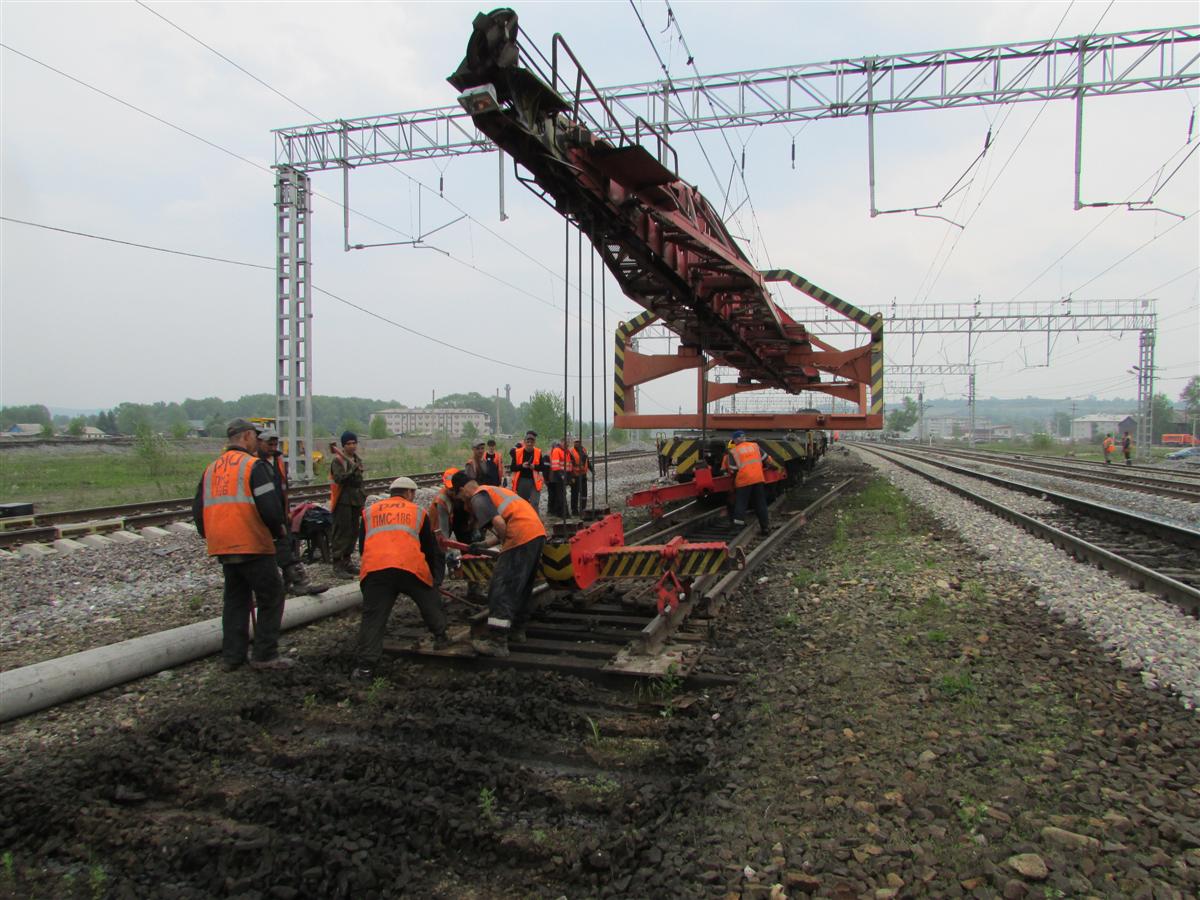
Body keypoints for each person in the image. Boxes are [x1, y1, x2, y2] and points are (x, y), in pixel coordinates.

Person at [192, 418, 294, 672]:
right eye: (255, 437)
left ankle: (233, 656)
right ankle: (265, 654)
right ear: (247, 436)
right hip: (251, 543)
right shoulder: (253, 466)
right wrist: (279, 531)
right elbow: (270, 507)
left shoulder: (212, 468)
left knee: (235, 600)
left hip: (223, 545)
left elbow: (198, 508)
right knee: (271, 595)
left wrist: (211, 534)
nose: (257, 442)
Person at [352, 476, 450, 680]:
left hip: (376, 569)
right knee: (429, 602)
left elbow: (363, 546)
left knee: (373, 617)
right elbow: (428, 549)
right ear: (410, 493)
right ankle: (441, 636)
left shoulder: (369, 512)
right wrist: (431, 578)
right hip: (410, 567)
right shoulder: (417, 512)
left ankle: (365, 669)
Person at [451, 471, 547, 658]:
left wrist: (506, 546)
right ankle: (517, 630)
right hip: (536, 533)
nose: (463, 503)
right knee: (522, 587)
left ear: (462, 490)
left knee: (500, 587)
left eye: (461, 498)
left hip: (520, 537)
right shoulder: (493, 490)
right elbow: (506, 521)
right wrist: (484, 545)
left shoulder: (477, 497)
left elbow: (499, 524)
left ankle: (497, 641)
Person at [257, 429, 327, 596]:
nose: (273, 447)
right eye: (269, 444)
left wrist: (286, 511)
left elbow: (283, 489)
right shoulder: (254, 463)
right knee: (280, 549)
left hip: (278, 510)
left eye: (275, 444)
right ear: (259, 442)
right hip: (264, 512)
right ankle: (296, 582)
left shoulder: (277, 460)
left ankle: (290, 583)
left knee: (286, 544)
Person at [429, 468, 485, 601]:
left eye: (455, 489)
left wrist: (476, 528)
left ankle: (474, 590)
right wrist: (447, 550)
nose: (452, 492)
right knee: (438, 554)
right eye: (450, 489)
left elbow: (476, 512)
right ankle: (434, 593)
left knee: (471, 551)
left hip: (463, 522)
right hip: (444, 523)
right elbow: (442, 532)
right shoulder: (441, 501)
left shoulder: (468, 494)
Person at [329, 431, 366, 577]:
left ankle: (347, 561)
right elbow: (339, 479)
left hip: (356, 500)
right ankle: (338, 564)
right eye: (348, 444)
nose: (352, 446)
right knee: (342, 532)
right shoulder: (338, 461)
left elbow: (358, 482)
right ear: (343, 446)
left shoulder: (357, 460)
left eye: (354, 443)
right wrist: (352, 470)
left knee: (353, 532)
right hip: (343, 501)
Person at [726, 431, 775, 535]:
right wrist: (773, 466)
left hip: (743, 481)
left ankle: (737, 528)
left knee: (741, 504)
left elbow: (733, 470)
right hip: (758, 479)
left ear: (735, 440)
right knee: (760, 503)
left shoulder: (734, 451)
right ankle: (765, 527)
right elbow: (767, 459)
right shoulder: (755, 446)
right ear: (744, 438)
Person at [510, 430, 546, 514]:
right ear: (524, 441)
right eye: (528, 441)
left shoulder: (538, 452)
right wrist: (522, 466)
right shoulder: (517, 452)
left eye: (532, 441)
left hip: (534, 482)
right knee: (523, 504)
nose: (529, 443)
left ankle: (535, 522)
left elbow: (543, 467)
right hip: (522, 481)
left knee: (535, 503)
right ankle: (524, 521)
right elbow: (512, 468)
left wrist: (534, 467)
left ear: (534, 442)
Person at [568, 438, 592, 515]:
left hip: (583, 475)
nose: (577, 443)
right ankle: (574, 511)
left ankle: (583, 509)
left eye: (578, 442)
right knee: (574, 494)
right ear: (573, 443)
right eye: (576, 442)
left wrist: (591, 469)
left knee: (584, 493)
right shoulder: (571, 452)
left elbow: (587, 461)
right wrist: (571, 477)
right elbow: (569, 465)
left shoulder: (584, 450)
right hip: (575, 475)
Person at [547, 439, 567, 517]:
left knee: (557, 495)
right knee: (553, 495)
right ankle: (551, 510)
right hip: (552, 478)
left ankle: (555, 511)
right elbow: (547, 468)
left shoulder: (554, 453)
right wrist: (546, 479)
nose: (557, 447)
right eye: (556, 445)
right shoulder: (549, 455)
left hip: (554, 478)